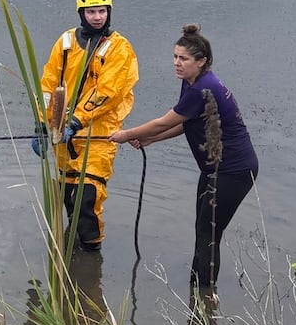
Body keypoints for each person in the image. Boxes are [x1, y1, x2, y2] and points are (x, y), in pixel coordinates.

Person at [110, 23, 258, 287]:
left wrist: (126, 134)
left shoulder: (203, 88)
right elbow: (186, 122)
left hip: (233, 172)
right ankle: (197, 291)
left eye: (183, 59)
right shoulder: (191, 83)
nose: (176, 63)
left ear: (201, 62)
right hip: (214, 169)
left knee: (208, 232)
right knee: (203, 229)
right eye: (175, 57)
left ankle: (205, 297)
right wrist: (151, 140)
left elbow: (164, 121)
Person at [32, 0, 139, 251]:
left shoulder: (119, 47)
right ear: (81, 13)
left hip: (98, 133)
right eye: (91, 12)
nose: (97, 17)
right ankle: (73, 251)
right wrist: (43, 125)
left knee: (87, 196)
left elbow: (108, 91)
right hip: (63, 134)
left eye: (102, 11)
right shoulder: (66, 43)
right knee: (67, 195)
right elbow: (48, 85)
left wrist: (77, 121)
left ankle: (92, 251)